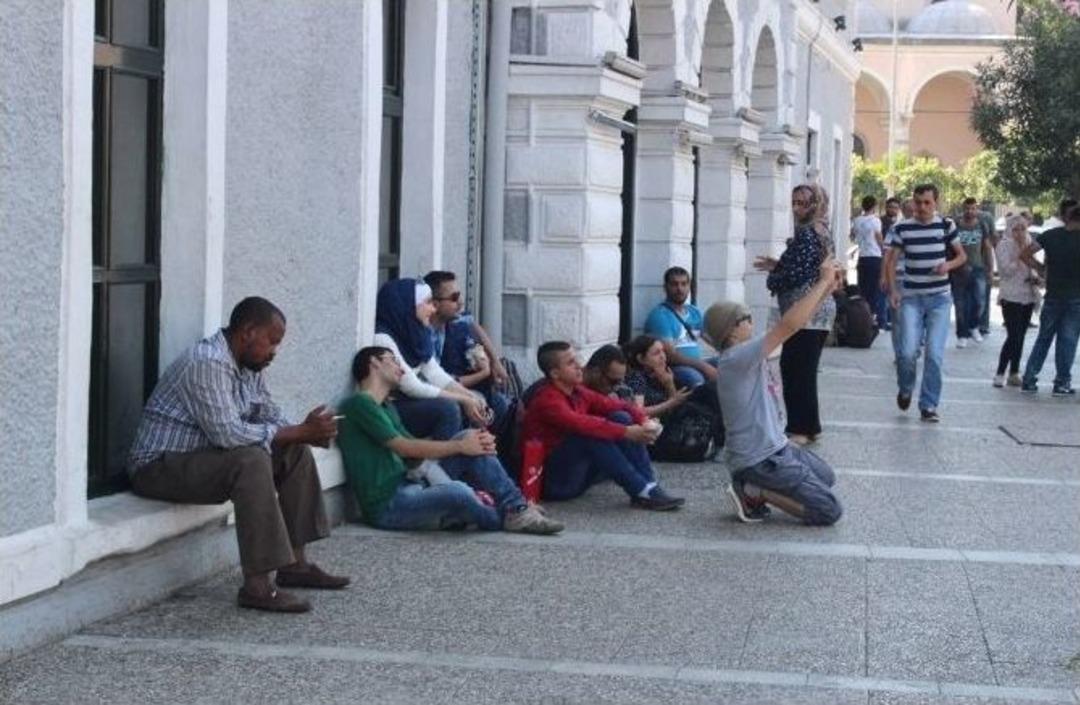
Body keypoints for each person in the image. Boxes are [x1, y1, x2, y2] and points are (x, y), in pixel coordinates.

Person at [126, 297, 349, 613]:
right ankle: (257, 587)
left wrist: (307, 432)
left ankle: (295, 565)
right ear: (248, 332)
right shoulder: (206, 362)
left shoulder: (249, 365)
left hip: (205, 459)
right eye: (272, 341)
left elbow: (268, 414)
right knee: (251, 459)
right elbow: (228, 435)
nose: (274, 351)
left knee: (293, 450)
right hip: (158, 467)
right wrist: (299, 431)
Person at [337, 346, 563, 534]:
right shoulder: (359, 404)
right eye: (393, 360)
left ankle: (516, 507)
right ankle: (504, 515)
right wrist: (459, 447)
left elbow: (414, 456)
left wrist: (469, 445)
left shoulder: (386, 406)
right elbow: (403, 447)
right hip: (389, 505)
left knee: (470, 437)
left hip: (410, 484)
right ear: (374, 363)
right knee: (458, 492)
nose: (400, 367)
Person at [705, 259, 844, 526]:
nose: (751, 322)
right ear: (732, 329)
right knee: (829, 510)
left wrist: (825, 288)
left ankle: (760, 485)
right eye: (746, 318)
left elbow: (797, 322)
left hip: (776, 447)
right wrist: (823, 282)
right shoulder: (737, 358)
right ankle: (754, 491)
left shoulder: (743, 355)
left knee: (826, 477)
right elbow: (788, 325)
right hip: (758, 459)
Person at [522, 341, 685, 510]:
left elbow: (618, 405)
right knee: (588, 434)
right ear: (555, 373)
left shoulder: (576, 390)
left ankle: (649, 487)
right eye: (571, 363)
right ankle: (641, 490)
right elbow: (581, 423)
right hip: (554, 483)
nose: (579, 366)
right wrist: (627, 432)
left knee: (620, 416)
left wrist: (643, 421)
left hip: (580, 471)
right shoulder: (548, 399)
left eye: (577, 359)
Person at [754, 183, 837, 445]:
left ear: (817, 205)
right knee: (800, 367)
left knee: (796, 368)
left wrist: (775, 276)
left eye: (805, 203)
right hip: (814, 310)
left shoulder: (808, 234)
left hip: (807, 311)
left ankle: (801, 427)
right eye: (795, 202)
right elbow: (809, 268)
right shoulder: (820, 230)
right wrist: (779, 265)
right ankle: (808, 425)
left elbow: (797, 274)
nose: (798, 208)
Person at [883, 184, 967, 422]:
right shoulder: (903, 227)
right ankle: (906, 387)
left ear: (935, 203)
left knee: (934, 354)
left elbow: (961, 256)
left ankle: (928, 405)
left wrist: (947, 266)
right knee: (907, 352)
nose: (921, 207)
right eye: (918, 202)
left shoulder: (946, 225)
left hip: (940, 299)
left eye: (927, 203)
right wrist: (893, 291)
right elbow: (891, 261)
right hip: (911, 298)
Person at [373, 278, 489, 441]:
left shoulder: (417, 332)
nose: (433, 309)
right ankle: (444, 460)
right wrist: (463, 398)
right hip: (390, 408)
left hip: (410, 402)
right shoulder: (382, 338)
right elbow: (412, 386)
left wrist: (469, 397)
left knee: (476, 401)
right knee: (448, 409)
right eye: (427, 303)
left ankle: (465, 457)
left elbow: (435, 374)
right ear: (408, 306)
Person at [423, 271, 512, 431]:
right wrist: (482, 374)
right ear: (435, 304)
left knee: (502, 405)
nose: (461, 302)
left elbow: (474, 326)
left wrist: (495, 361)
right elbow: (436, 381)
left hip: (459, 383)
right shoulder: (424, 335)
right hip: (437, 391)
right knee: (476, 408)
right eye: (454, 297)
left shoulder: (454, 318)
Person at [623, 334, 724, 462]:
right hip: (658, 425)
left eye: (663, 352)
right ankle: (720, 441)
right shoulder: (637, 378)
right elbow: (638, 412)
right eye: (656, 353)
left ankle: (723, 440)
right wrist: (670, 402)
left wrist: (668, 384)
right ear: (641, 359)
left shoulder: (661, 372)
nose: (662, 357)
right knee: (704, 397)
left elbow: (676, 402)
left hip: (671, 414)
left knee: (710, 390)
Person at [1019, 204, 1080, 396]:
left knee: (1043, 339)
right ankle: (1061, 383)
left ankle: (1029, 380)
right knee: (1067, 341)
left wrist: (1040, 268)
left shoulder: (1050, 235)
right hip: (1075, 297)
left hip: (1053, 295)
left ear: (1067, 218)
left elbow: (1025, 254)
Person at [643, 266, 718, 388]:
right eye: (674, 284)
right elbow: (671, 357)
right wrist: (704, 367)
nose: (680, 289)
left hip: (697, 363)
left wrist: (733, 350)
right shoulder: (660, 316)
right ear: (665, 287)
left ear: (689, 287)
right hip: (675, 367)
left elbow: (713, 339)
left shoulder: (694, 312)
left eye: (684, 284)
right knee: (696, 379)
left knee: (727, 365)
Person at [993, 215, 1042, 387]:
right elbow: (1005, 272)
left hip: (1027, 295)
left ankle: (1014, 372)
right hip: (1010, 296)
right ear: (1009, 230)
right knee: (1013, 335)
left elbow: (1034, 267)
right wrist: (1019, 256)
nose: (1020, 233)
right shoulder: (1003, 246)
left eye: (1023, 228)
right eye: (1016, 229)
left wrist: (1035, 277)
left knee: (1020, 336)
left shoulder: (1029, 243)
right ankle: (1000, 373)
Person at [951, 197, 994, 348]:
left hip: (978, 268)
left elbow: (987, 247)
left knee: (980, 301)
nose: (970, 211)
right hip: (958, 270)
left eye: (973, 208)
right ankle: (962, 334)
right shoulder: (955, 225)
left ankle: (974, 325)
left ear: (977, 209)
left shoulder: (982, 225)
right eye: (967, 208)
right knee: (960, 303)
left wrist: (990, 269)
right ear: (963, 209)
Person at [851, 195, 886, 330]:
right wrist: (884, 249)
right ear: (874, 206)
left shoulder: (857, 220)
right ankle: (870, 317)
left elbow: (853, 236)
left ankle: (862, 315)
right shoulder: (875, 221)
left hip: (862, 257)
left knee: (863, 288)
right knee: (873, 290)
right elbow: (878, 237)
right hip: (874, 257)